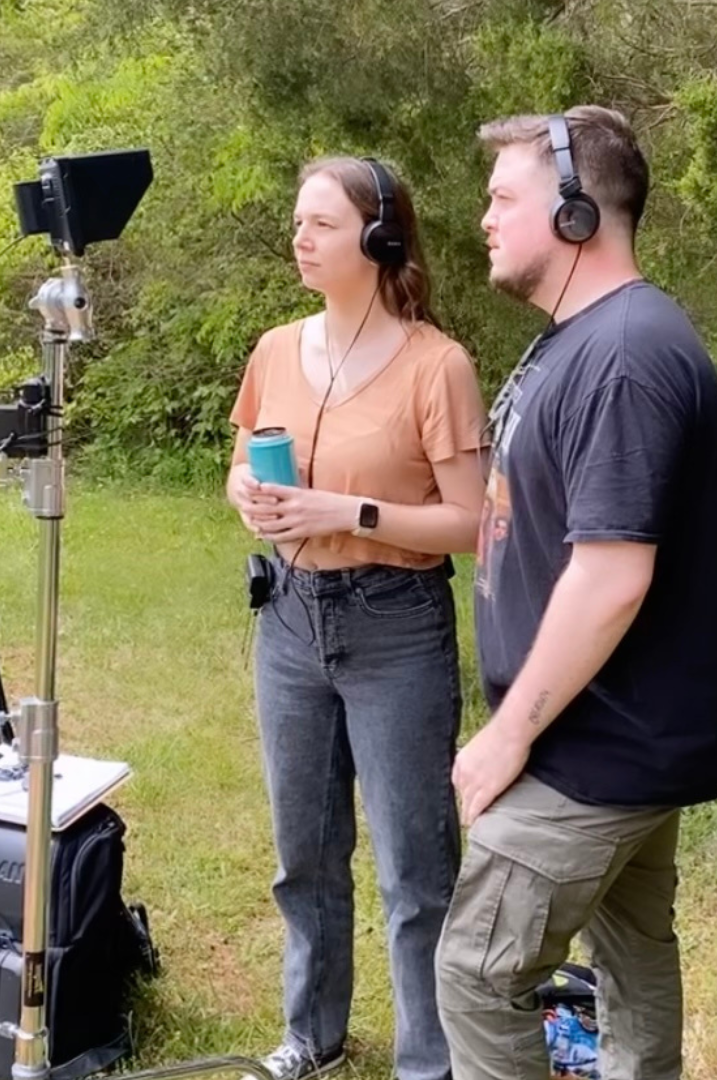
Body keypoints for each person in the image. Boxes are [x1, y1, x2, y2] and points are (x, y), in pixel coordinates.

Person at [434, 107, 717, 1080]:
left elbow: (613, 574)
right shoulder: (588, 338)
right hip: (619, 736)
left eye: (503, 197)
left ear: (576, 212)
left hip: (590, 748)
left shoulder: (623, 354)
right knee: (632, 958)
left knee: (478, 973)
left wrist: (511, 731)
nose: (483, 217)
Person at [228, 155, 487, 1080]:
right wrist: (252, 501)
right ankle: (313, 1036)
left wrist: (350, 512)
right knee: (305, 854)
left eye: (321, 224)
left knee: (415, 871)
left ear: (379, 241)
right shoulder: (272, 350)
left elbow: (471, 523)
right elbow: (240, 465)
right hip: (290, 621)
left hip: (396, 624)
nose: (300, 238)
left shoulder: (438, 366)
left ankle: (432, 1061)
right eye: (298, 222)